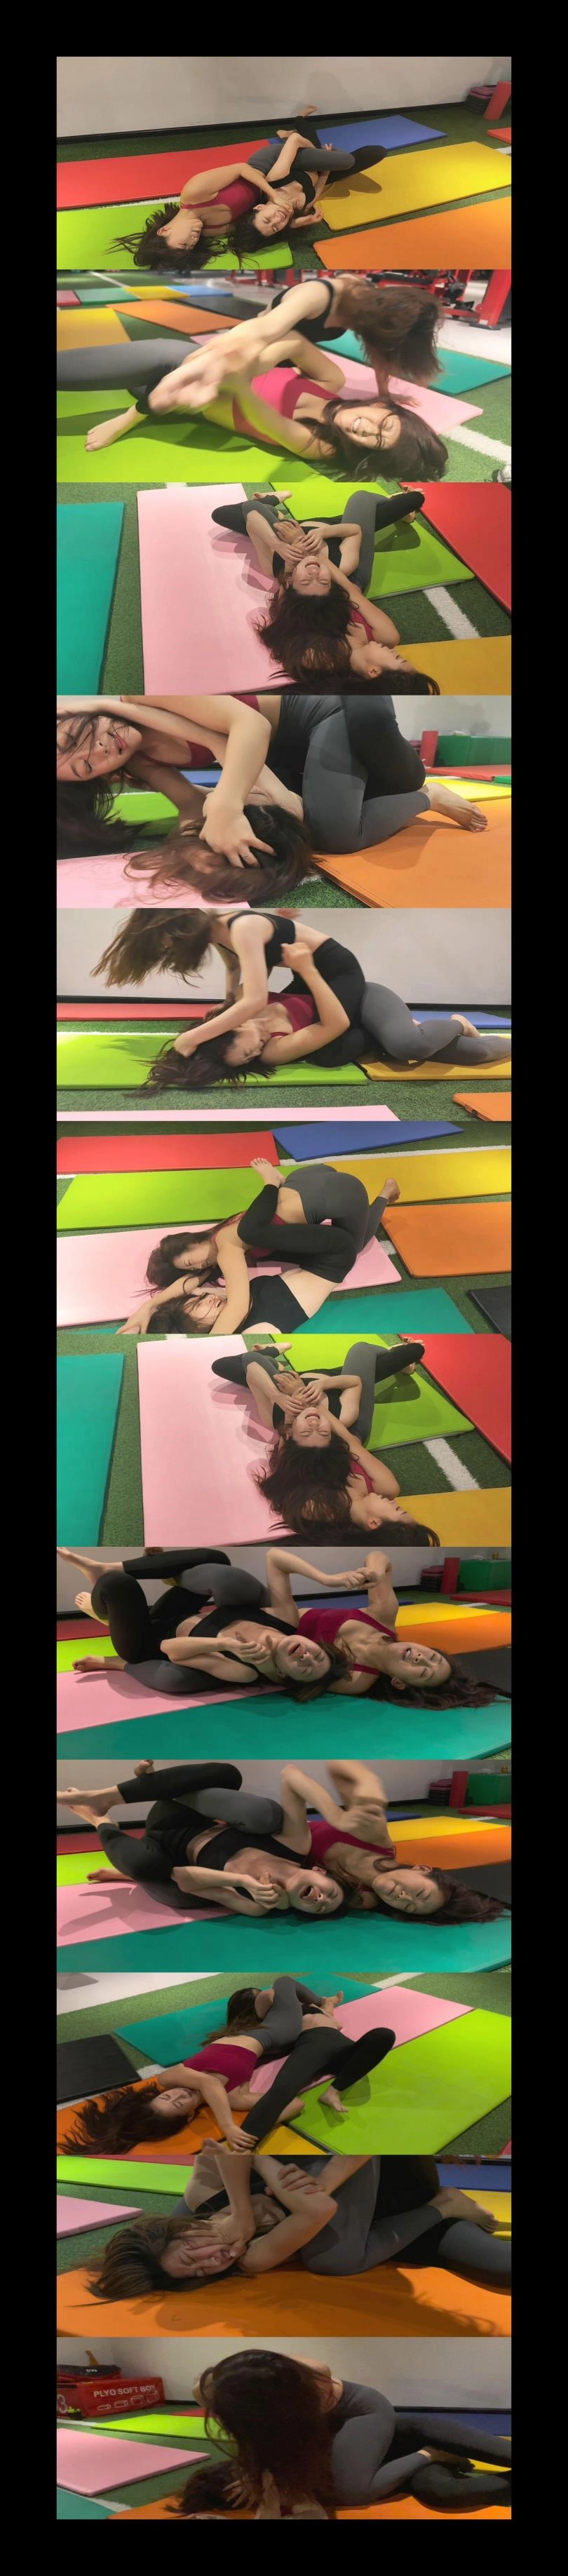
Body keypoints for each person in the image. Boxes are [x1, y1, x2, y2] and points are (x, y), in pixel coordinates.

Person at [57, 691, 487, 893]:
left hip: (322, 714)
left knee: (335, 834)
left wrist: (230, 803)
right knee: (275, 815)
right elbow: (190, 802)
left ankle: (430, 796)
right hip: (281, 754)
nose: (99, 750)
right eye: (86, 766)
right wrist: (188, 846)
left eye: (75, 737)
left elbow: (249, 726)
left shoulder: (143, 694)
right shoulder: (136, 757)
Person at [58, 274, 447, 484]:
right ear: (381, 407)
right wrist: (248, 368)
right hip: (184, 365)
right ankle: (134, 414)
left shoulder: (322, 445)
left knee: (152, 386)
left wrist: (238, 379)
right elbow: (290, 341)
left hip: (187, 399)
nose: (366, 429)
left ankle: (138, 411)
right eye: (383, 424)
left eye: (375, 441)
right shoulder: (332, 379)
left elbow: (264, 418)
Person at [95, 909, 510, 1089]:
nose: (257, 1051)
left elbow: (254, 998)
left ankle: (456, 1021)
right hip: (319, 988)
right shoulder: (223, 939)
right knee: (467, 1056)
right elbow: (236, 973)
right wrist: (225, 1004)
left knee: (407, 1046)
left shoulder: (240, 928)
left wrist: (192, 1037)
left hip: (344, 977)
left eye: (247, 1049)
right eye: (251, 1058)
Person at [86, 2150, 510, 2316]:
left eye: (190, 2258)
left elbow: (224, 2143)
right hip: (393, 2222)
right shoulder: (251, 2257)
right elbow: (320, 2207)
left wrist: (245, 2204)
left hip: (388, 2179)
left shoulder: (201, 2201)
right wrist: (268, 2171)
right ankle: (445, 2206)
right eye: (199, 2274)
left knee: (332, 2257)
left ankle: (444, 2205)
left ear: (182, 2231)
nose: (211, 2263)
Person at [170, 2348, 512, 2516]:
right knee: (444, 2495)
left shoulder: (299, 2381)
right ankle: (435, 2456)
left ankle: (434, 2453)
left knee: (353, 2490)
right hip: (401, 2457)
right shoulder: (290, 2469)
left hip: (386, 2421)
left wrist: (261, 2481)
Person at [115, 1160, 409, 1340]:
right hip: (306, 1179)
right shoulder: (221, 1238)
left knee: (354, 1246)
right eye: (191, 1268)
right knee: (259, 1234)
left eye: (193, 1260)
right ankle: (383, 1192)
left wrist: (208, 1344)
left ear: (195, 1241)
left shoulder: (228, 1248)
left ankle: (383, 1194)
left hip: (339, 1194)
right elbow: (192, 1284)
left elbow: (238, 1306)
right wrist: (147, 1308)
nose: (199, 1267)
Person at [60, 1978, 353, 2153]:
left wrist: (227, 2125)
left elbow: (208, 2081)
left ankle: (318, 2011)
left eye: (166, 2097)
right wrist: (252, 2128)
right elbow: (295, 2104)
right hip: (277, 2034)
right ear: (189, 2116)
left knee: (261, 1997)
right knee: (284, 1983)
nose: (177, 2095)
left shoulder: (170, 2079)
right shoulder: (234, 2098)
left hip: (249, 2030)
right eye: (178, 2104)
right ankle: (325, 2004)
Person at [55, 1757, 349, 1918]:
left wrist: (242, 1882)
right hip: (181, 1816)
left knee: (150, 1870)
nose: (321, 1900)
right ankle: (111, 1796)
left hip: (161, 1850)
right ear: (319, 1871)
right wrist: (335, 1814)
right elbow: (291, 1774)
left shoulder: (257, 1904)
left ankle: (99, 1819)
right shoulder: (296, 1845)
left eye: (320, 1908)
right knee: (231, 1778)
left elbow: (182, 1877)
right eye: (330, 1894)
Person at [210, 1343, 442, 1541]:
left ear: (373, 1523)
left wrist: (297, 1397)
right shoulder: (388, 1488)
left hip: (305, 1417)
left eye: (398, 1510)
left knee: (229, 1366)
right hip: (348, 1426)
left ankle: (281, 1362)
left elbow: (287, 1451)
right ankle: (325, 1373)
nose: (395, 1503)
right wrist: (310, 1396)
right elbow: (350, 1442)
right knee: (403, 1349)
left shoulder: (318, 1508)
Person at [111, 127, 385, 272]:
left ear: (165, 230)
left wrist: (272, 193)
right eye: (191, 247)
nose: (193, 240)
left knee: (342, 162)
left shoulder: (193, 194)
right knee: (354, 162)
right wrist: (294, 222)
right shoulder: (210, 231)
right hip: (283, 186)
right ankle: (299, 135)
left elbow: (242, 169)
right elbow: (256, 228)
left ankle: (294, 136)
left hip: (266, 166)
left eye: (184, 242)